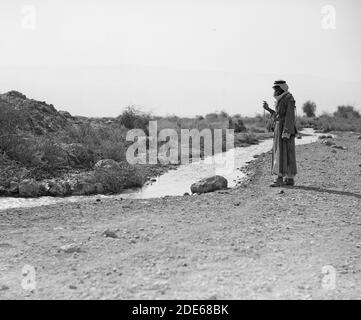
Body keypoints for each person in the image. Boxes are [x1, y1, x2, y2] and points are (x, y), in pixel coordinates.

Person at [263, 80, 297, 187]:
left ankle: (280, 178)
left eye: (277, 89)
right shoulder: (281, 99)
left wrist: (286, 131)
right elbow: (278, 115)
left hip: (285, 129)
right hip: (280, 128)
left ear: (282, 88)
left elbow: (290, 116)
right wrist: (268, 108)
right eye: (274, 89)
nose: (275, 91)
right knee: (285, 152)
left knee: (282, 153)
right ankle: (289, 179)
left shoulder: (289, 99)